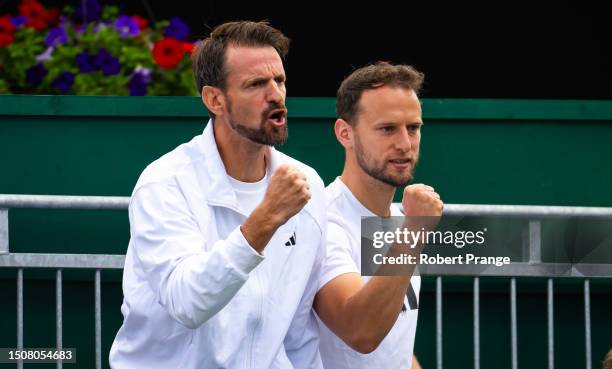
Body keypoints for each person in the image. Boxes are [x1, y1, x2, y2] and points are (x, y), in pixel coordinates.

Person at [109, 21, 326, 369]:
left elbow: (299, 328)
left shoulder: (309, 185)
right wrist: (266, 219)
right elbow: (187, 301)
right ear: (215, 99)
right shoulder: (164, 183)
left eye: (280, 81)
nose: (276, 95)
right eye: (256, 84)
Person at [313, 62, 442, 369]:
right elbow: (362, 331)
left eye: (413, 128)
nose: (404, 144)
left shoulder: (401, 219)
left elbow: (392, 339)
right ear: (345, 133)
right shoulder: (322, 221)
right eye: (387, 129)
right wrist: (414, 231)